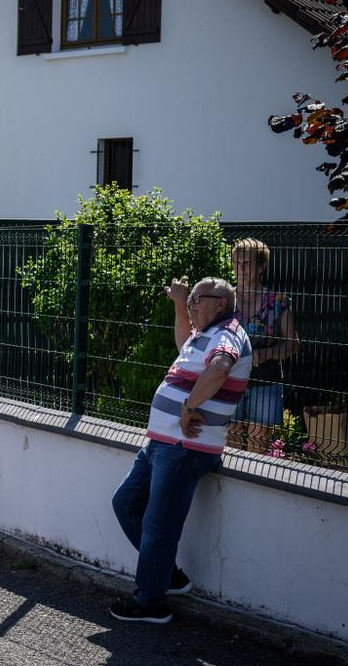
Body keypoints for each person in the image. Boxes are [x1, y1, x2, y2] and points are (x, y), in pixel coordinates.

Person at [109, 276, 251, 624]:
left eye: (197, 299)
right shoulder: (205, 333)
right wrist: (179, 303)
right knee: (126, 503)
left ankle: (151, 602)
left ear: (220, 302)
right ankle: (168, 576)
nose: (192, 305)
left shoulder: (228, 333)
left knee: (159, 525)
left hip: (184, 447)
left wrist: (188, 406)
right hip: (162, 443)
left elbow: (220, 367)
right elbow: (184, 346)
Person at [229, 238, 298, 454]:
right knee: (228, 442)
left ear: (261, 267)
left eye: (247, 263)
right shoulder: (223, 299)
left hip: (266, 379)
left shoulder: (278, 301)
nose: (241, 268)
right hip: (228, 378)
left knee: (257, 447)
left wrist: (266, 353)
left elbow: (293, 343)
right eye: (237, 263)